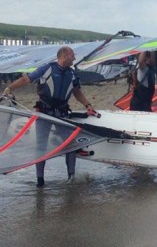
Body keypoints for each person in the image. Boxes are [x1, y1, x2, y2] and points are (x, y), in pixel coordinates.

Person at [3, 46, 97, 187]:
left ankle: (71, 177)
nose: (75, 58)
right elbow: (26, 80)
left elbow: (77, 92)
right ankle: (40, 181)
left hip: (62, 113)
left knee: (70, 145)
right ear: (64, 56)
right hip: (44, 113)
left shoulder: (72, 74)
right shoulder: (46, 69)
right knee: (41, 146)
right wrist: (9, 88)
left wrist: (87, 105)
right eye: (73, 55)